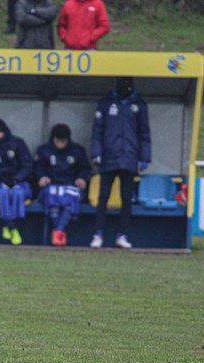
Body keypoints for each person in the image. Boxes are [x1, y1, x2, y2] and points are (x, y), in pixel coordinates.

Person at [90, 76, 151, 249]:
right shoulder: (106, 103)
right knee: (103, 197)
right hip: (109, 157)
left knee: (126, 198)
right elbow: (97, 131)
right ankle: (98, 234)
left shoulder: (139, 105)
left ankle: (122, 235)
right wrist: (96, 153)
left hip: (129, 158)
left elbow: (144, 133)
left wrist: (144, 157)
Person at [33, 123, 91, 247]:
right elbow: (38, 167)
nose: (60, 144)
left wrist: (82, 178)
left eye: (63, 141)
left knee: (71, 200)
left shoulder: (78, 150)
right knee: (51, 199)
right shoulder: (44, 150)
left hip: (70, 184)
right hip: (52, 184)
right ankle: (59, 233)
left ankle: (58, 231)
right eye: (57, 141)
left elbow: (85, 169)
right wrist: (42, 177)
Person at [0, 118, 33, 246]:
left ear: (4, 131)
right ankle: (12, 227)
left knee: (18, 192)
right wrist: (1, 179)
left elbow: (27, 165)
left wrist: (17, 179)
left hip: (19, 181)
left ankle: (8, 226)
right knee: (2, 192)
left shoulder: (17, 143)